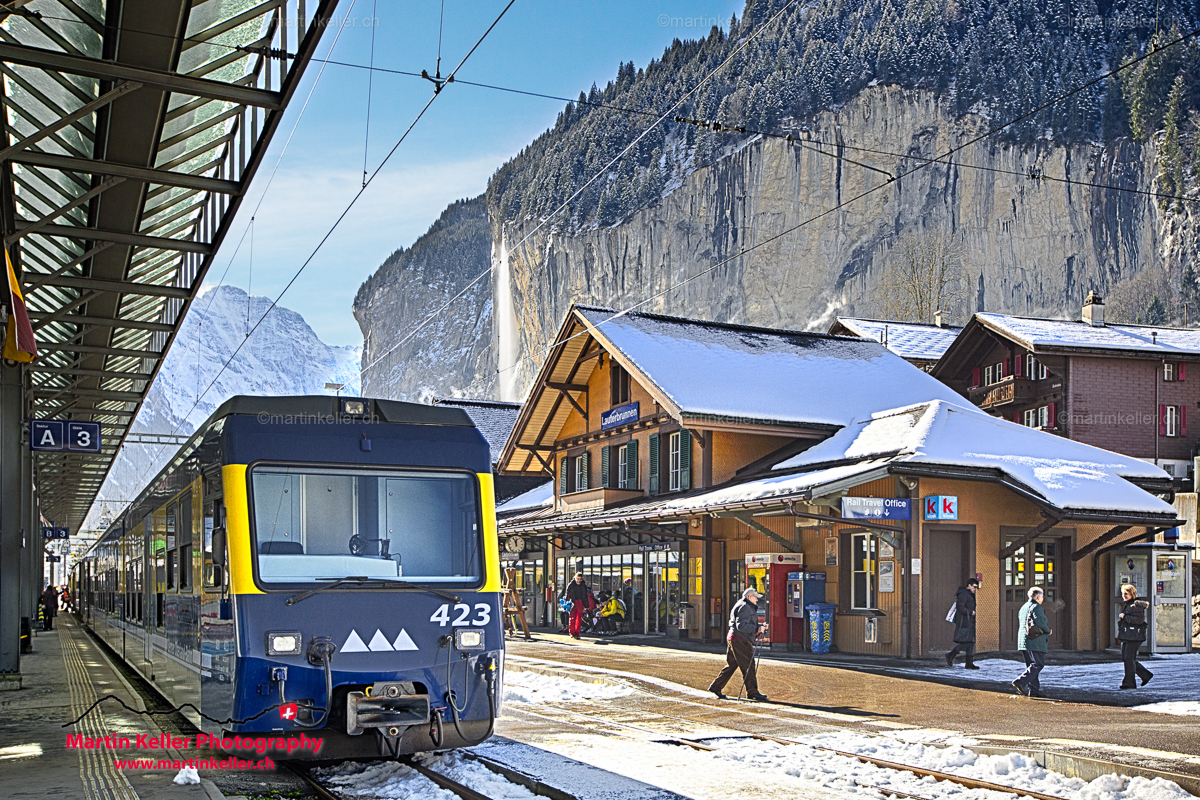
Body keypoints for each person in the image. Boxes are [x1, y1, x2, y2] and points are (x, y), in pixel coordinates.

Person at [708, 587, 768, 702]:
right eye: (755, 597)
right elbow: (741, 626)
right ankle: (752, 692)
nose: (757, 600)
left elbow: (741, 624)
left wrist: (759, 626)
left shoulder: (742, 604)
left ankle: (716, 686)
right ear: (749, 597)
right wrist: (757, 629)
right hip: (740, 640)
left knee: (732, 665)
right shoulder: (745, 607)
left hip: (734, 638)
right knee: (749, 665)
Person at [1012, 586, 1051, 697]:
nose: (1043, 598)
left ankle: (1033, 691)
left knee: (1031, 666)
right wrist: (1048, 630)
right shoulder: (1036, 607)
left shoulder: (1024, 607)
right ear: (1038, 597)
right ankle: (1020, 681)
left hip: (1024, 641)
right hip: (1034, 641)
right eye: (1042, 596)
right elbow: (1040, 622)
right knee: (1038, 664)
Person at [1117, 583, 1153, 689]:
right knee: (1127, 658)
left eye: (1126, 594)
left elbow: (1139, 620)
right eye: (1123, 593)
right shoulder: (1128, 605)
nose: (1124, 595)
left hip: (1134, 636)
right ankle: (1145, 675)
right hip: (1129, 635)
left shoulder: (1136, 606)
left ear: (1132, 594)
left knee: (1128, 659)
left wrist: (1124, 617)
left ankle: (1129, 682)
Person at [945, 578, 980, 669]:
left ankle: (969, 663)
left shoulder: (969, 594)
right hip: (964, 622)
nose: (975, 589)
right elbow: (960, 607)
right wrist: (970, 612)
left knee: (971, 642)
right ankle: (951, 655)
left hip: (970, 621)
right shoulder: (964, 594)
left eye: (976, 587)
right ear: (969, 585)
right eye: (974, 587)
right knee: (966, 642)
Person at [565, 573, 590, 639]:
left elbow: (585, 596)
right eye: (578, 579)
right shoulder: (571, 585)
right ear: (575, 578)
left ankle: (577, 633)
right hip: (573, 602)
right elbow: (568, 594)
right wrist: (566, 603)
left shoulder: (583, 586)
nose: (579, 580)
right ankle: (572, 633)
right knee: (572, 618)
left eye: (580, 579)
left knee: (579, 619)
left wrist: (586, 605)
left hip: (580, 602)